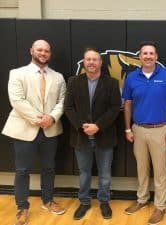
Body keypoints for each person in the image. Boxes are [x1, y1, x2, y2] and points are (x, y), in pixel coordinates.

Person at [2, 40, 66, 225]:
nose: (43, 53)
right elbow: (17, 100)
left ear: (50, 54)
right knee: (22, 170)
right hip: (25, 129)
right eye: (39, 49)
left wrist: (51, 118)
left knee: (49, 168)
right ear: (31, 51)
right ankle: (22, 208)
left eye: (46, 50)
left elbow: (62, 101)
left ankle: (48, 200)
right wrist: (40, 119)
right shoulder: (17, 73)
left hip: (50, 129)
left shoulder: (58, 77)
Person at [122, 41, 166, 225]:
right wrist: (128, 128)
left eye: (151, 53)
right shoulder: (132, 77)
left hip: (160, 130)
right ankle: (142, 199)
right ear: (139, 57)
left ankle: (160, 207)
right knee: (141, 169)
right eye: (144, 53)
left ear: (156, 57)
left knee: (160, 171)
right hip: (138, 130)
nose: (147, 56)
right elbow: (128, 104)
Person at [64, 47, 121, 220]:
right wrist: (82, 126)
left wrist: (98, 126)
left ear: (100, 62)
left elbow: (114, 108)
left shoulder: (111, 83)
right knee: (84, 172)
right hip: (81, 137)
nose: (91, 62)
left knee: (104, 174)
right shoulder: (74, 81)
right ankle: (84, 202)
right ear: (84, 62)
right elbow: (68, 107)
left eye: (95, 59)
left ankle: (104, 202)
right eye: (88, 59)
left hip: (104, 136)